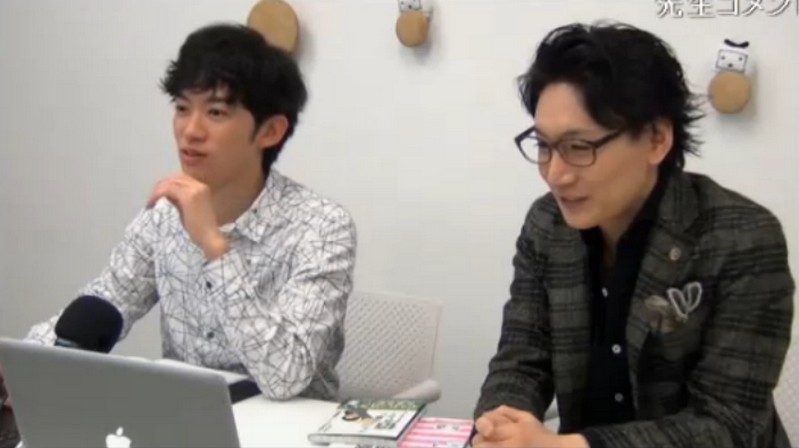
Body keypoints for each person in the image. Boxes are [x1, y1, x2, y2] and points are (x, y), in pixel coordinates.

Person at [472, 22, 794, 448]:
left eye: (579, 147)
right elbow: (521, 358)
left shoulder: (742, 238)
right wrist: (500, 425)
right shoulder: (547, 225)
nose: (555, 174)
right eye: (544, 146)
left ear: (657, 139)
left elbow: (727, 423)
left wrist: (568, 446)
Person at [4, 23, 357, 402]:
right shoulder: (165, 214)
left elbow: (285, 376)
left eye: (216, 112)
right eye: (182, 109)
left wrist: (215, 247)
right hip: (186, 421)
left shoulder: (322, 227)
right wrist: (23, 365)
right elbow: (107, 299)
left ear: (270, 131)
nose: (190, 131)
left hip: (289, 426)